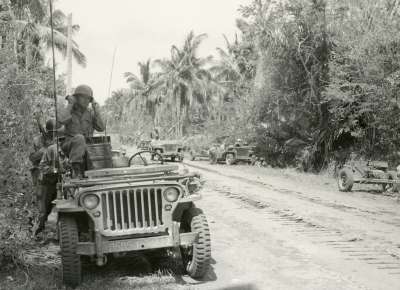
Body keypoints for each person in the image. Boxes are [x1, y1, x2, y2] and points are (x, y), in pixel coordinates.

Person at [58, 84, 105, 178]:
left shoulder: (91, 113)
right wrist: (70, 105)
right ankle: (76, 170)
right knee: (79, 138)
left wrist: (97, 111)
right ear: (76, 98)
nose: (86, 100)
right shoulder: (69, 111)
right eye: (83, 97)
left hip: (87, 148)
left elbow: (101, 128)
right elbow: (61, 121)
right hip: (70, 146)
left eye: (88, 98)